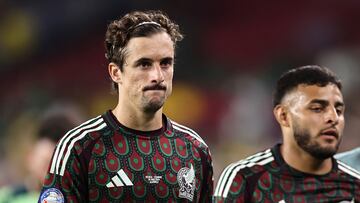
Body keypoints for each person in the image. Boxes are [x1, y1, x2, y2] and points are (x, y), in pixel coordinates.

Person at [39, 10, 213, 202]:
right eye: (144, 64)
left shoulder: (195, 150)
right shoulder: (79, 148)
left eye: (165, 63)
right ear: (116, 72)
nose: (158, 76)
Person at [213, 65, 360, 202]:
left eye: (339, 110)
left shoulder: (354, 186)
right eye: (317, 108)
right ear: (283, 115)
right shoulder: (246, 179)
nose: (333, 118)